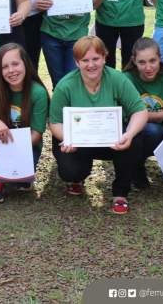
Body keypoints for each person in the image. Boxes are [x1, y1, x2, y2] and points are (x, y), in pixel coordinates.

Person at [48, 36, 148, 214]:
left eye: (95, 59)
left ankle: (120, 193)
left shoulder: (118, 79)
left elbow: (139, 110)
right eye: (85, 60)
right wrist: (68, 139)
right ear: (77, 62)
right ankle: (76, 179)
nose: (91, 65)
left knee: (135, 141)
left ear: (104, 57)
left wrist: (130, 133)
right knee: (70, 171)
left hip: (111, 141)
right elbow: (54, 121)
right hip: (79, 143)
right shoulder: (65, 86)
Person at [0, 44, 49, 202]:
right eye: (4, 67)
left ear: (26, 64)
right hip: (0, 142)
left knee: (21, 180)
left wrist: (3, 156)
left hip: (27, 147)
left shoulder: (38, 92)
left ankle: (19, 176)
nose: (11, 71)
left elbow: (35, 137)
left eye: (15, 64)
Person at [122, 38, 163, 188]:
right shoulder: (127, 79)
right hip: (139, 130)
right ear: (134, 61)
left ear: (160, 58)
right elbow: (133, 114)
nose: (148, 67)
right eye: (142, 62)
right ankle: (138, 168)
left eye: (153, 61)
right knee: (153, 130)